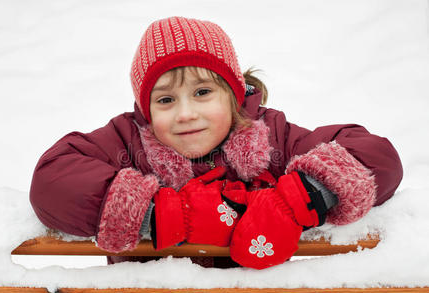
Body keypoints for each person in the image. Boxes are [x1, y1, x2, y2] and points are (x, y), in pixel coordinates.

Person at [29, 16, 403, 269]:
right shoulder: (130, 143)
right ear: (146, 110)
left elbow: (376, 156)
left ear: (234, 94)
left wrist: (299, 200)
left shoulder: (272, 138)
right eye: (165, 100)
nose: (186, 114)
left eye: (203, 92)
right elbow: (54, 180)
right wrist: (162, 215)